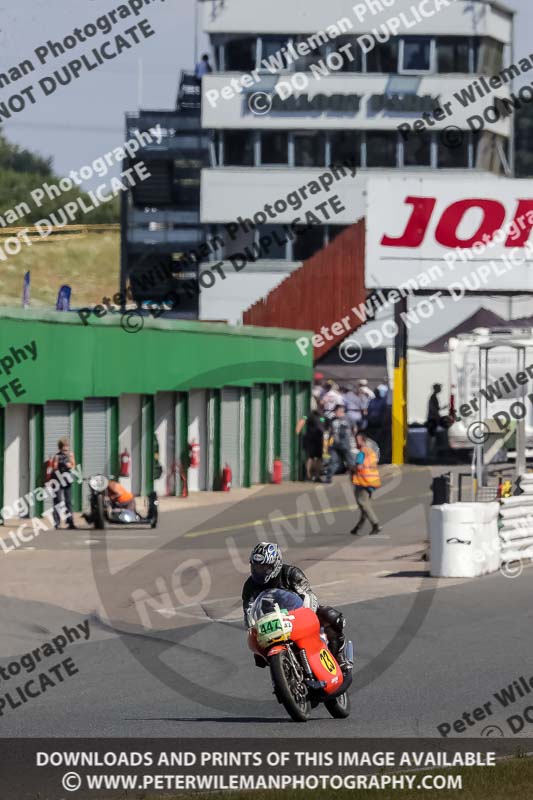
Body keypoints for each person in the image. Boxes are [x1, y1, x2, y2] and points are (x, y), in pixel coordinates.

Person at [242, 542, 348, 671]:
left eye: (265, 567)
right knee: (258, 657)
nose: (260, 571)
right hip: (270, 623)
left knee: (332, 617)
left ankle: (339, 658)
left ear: (275, 564)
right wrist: (253, 629)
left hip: (298, 614)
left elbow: (308, 596)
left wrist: (306, 616)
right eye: (256, 567)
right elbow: (248, 611)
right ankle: (283, 676)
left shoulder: (291, 573)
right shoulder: (249, 586)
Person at [350, 431, 382, 536]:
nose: (356, 442)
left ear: (362, 440)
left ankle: (375, 525)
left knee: (363, 504)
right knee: (365, 505)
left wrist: (351, 469)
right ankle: (358, 527)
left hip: (363, 482)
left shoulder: (361, 453)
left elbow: (359, 466)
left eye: (357, 440)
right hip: (372, 481)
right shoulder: (371, 452)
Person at [51, 438, 77, 530]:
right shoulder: (57, 456)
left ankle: (70, 522)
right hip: (57, 480)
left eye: (67, 448)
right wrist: (61, 464)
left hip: (67, 480)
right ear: (60, 448)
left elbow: (74, 465)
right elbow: (54, 467)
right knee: (57, 501)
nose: (65, 450)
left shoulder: (71, 455)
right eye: (64, 449)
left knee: (68, 501)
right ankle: (57, 523)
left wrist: (70, 465)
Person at [326, 404, 354, 482]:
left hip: (345, 445)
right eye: (336, 412)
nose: (337, 413)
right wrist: (328, 443)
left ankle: (355, 477)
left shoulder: (348, 418)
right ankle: (328, 478)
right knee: (333, 461)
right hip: (335, 445)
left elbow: (354, 428)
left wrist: (352, 439)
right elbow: (330, 432)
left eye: (338, 411)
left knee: (350, 462)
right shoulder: (332, 420)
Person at [299, 410, 324, 482]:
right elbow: (303, 419)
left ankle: (316, 476)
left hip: (318, 439)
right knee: (311, 457)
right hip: (312, 439)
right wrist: (298, 431)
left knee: (317, 458)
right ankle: (309, 475)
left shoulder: (320, 416)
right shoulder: (309, 415)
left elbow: (323, 423)